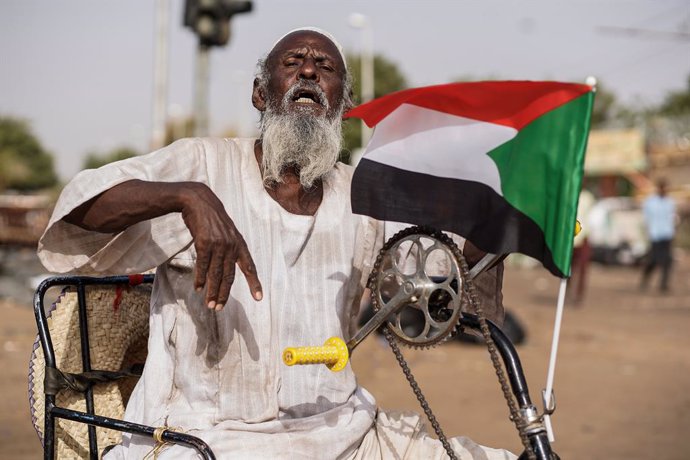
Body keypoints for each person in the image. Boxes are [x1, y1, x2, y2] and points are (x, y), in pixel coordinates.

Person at [38, 28, 515, 459]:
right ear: (260, 94)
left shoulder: (363, 195)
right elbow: (78, 208)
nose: (309, 70)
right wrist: (187, 197)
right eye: (293, 63)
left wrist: (512, 216)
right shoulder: (204, 165)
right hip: (209, 437)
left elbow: (443, 257)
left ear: (341, 105)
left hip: (342, 431)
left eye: (325, 68)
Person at [640, 178, 676, 293]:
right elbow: (646, 219)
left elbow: (672, 219)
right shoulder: (650, 202)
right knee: (653, 260)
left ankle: (663, 285)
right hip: (655, 235)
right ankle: (645, 279)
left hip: (667, 234)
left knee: (667, 261)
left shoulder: (670, 202)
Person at [569, 188, 595, 305]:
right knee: (567, 266)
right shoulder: (568, 193)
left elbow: (590, 218)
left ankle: (579, 294)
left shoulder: (588, 197)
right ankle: (567, 290)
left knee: (583, 267)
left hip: (583, 236)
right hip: (569, 236)